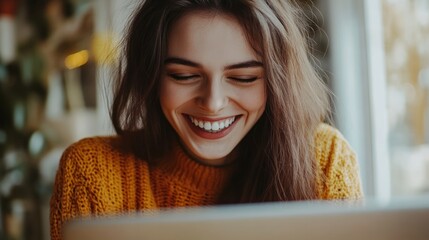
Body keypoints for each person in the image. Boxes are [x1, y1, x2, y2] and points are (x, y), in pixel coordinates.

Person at [50, 0, 363, 239]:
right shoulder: (92, 173)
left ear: (277, 82)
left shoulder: (324, 162)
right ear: (152, 76)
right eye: (184, 75)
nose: (213, 103)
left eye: (243, 77)